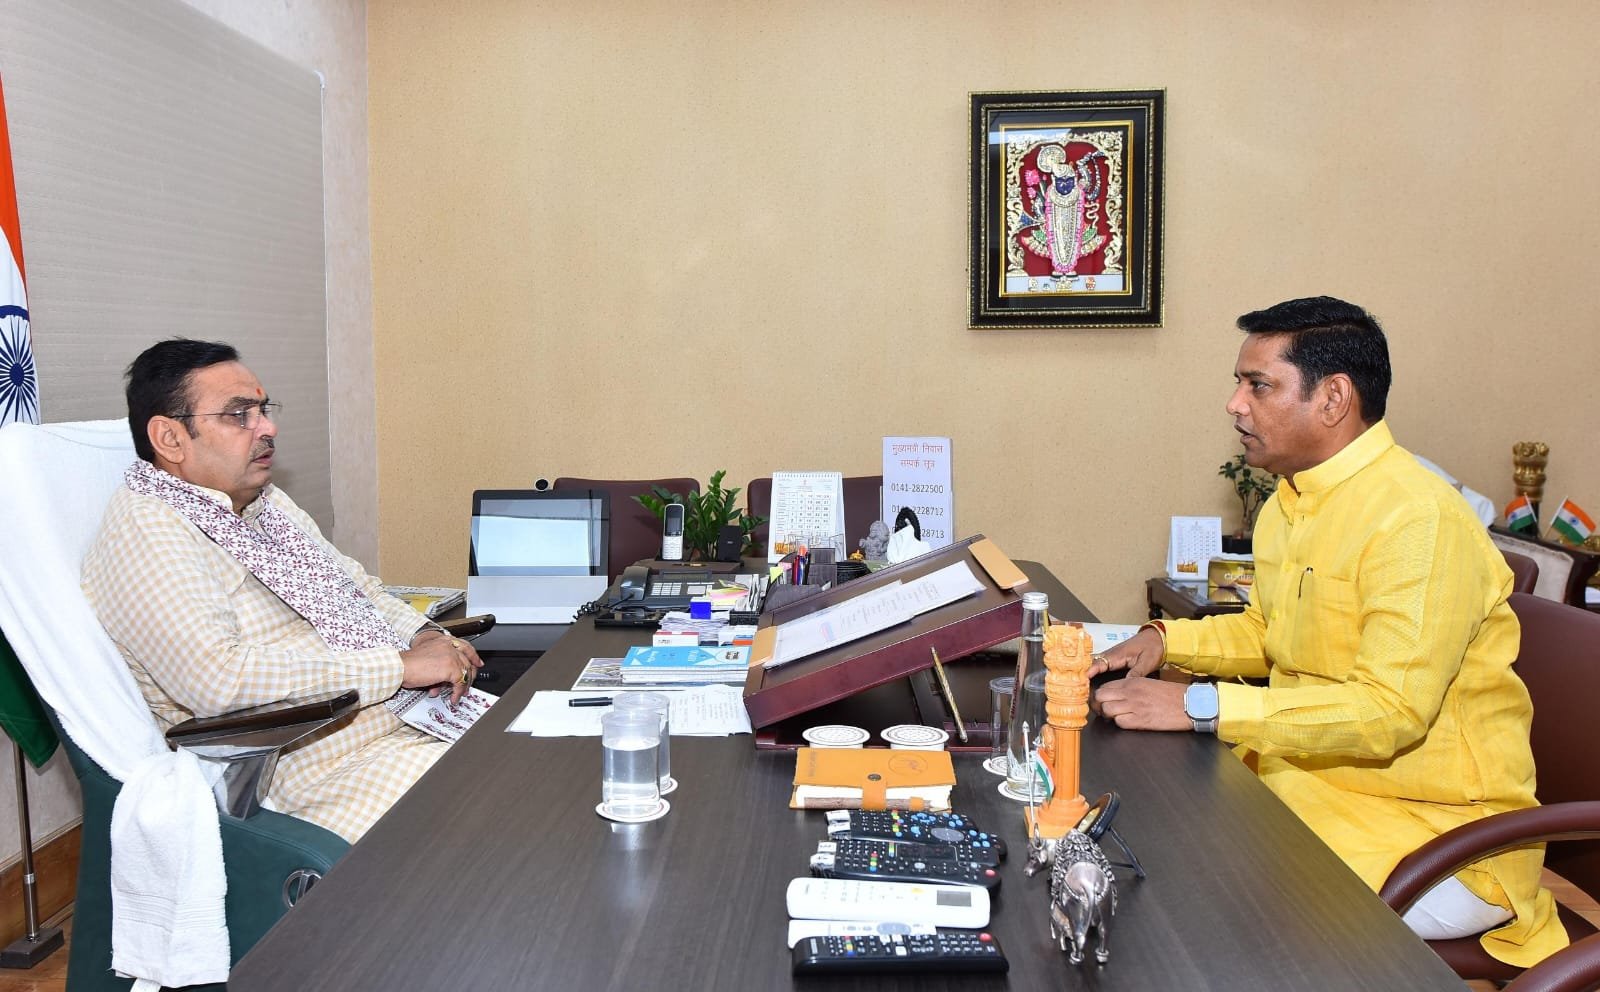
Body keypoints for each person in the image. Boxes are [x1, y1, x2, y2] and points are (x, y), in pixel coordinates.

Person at [1091, 297, 1565, 967]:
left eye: (1258, 385)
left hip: (1438, 837)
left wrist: (1200, 704)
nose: (1234, 404)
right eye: (1239, 383)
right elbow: (1270, 633)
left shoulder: (1418, 520)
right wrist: (1164, 642)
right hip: (1316, 788)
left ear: (1334, 398)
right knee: (1157, 835)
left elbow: (1388, 712)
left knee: (1199, 893)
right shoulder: (1291, 502)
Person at [82, 339, 482, 842]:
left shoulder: (263, 504)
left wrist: (426, 637)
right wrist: (401, 667)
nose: (267, 428)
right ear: (170, 438)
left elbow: (357, 588)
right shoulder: (149, 530)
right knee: (512, 812)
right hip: (320, 766)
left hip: (409, 720)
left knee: (549, 771)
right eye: (239, 415)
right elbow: (218, 680)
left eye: (263, 410)